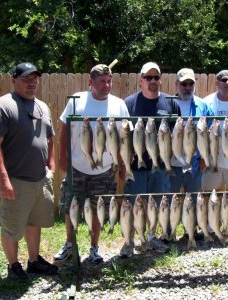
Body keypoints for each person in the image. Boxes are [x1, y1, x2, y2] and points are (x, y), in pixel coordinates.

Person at [0, 62, 58, 280]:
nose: (31, 83)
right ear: (14, 80)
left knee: (34, 222)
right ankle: (13, 265)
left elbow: (50, 138)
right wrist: (4, 178)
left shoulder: (42, 107)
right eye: (26, 79)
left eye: (34, 79)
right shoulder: (3, 106)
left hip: (40, 179)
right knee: (12, 225)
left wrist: (51, 167)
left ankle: (34, 261)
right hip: (15, 180)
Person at [54, 64, 130, 264]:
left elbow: (123, 138)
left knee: (99, 208)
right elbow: (64, 130)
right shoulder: (76, 101)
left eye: (109, 81)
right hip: (77, 166)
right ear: (91, 82)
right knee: (71, 206)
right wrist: (63, 158)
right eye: (102, 82)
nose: (107, 85)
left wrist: (122, 164)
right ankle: (69, 244)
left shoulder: (119, 105)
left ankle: (94, 247)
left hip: (105, 168)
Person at [123, 62, 181, 255]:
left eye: (156, 77)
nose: (153, 81)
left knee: (157, 204)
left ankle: (151, 237)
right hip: (135, 166)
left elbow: (177, 134)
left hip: (161, 165)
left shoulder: (171, 103)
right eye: (149, 77)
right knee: (134, 205)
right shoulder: (129, 103)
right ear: (141, 80)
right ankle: (129, 240)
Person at [169, 68, 214, 195]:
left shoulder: (203, 106)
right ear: (176, 84)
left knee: (194, 203)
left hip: (195, 164)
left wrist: (204, 158)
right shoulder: (168, 103)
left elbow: (211, 134)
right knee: (172, 203)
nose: (187, 87)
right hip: (172, 164)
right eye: (184, 84)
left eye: (191, 84)